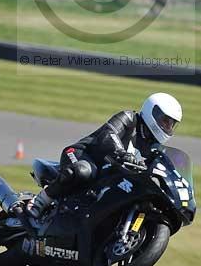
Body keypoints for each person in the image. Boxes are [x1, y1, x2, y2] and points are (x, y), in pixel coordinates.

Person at [26, 92, 183, 220]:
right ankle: (40, 201)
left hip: (107, 176)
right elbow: (108, 134)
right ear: (152, 112)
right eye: (165, 121)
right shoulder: (129, 118)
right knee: (83, 171)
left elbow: (159, 166)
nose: (167, 127)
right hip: (82, 154)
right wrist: (121, 153)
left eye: (171, 124)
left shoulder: (153, 147)